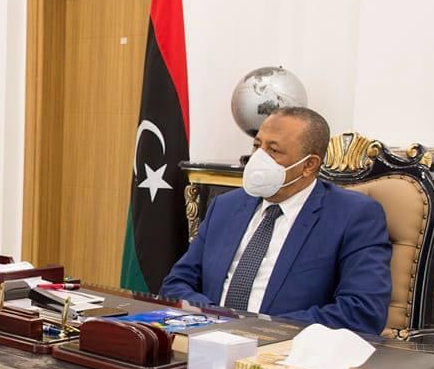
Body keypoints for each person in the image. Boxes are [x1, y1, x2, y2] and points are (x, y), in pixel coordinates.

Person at [160, 106, 391, 334]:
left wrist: (260, 328)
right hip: (209, 337)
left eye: (273, 150)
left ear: (308, 165)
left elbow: (362, 311)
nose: (257, 158)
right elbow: (176, 283)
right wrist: (217, 319)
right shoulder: (225, 206)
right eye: (257, 145)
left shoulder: (353, 216)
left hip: (286, 348)